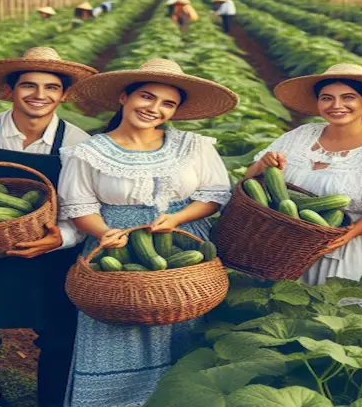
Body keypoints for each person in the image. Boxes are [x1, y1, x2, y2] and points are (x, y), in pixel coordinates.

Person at [59, 58, 238, 406]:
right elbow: (79, 206)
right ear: (124, 97)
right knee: (120, 321)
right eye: (146, 96)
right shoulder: (90, 152)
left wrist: (178, 218)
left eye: (167, 104)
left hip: (183, 243)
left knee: (183, 320)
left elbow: (214, 194)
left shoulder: (194, 146)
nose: (154, 108)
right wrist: (105, 232)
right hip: (117, 245)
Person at [0, 47, 98, 407]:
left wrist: (60, 239)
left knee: (59, 337)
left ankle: (52, 401)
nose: (39, 95)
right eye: (28, 85)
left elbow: (85, 208)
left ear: (63, 94)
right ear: (10, 90)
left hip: (51, 254)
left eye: (51, 87)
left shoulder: (79, 145)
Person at [244, 63, 362, 330]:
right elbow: (250, 178)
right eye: (327, 98)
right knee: (296, 322)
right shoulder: (300, 135)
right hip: (289, 246)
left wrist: (347, 234)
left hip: (350, 249)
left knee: (351, 325)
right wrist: (263, 163)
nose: (337, 105)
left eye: (348, 98)